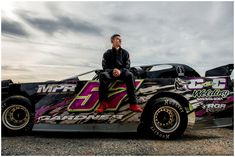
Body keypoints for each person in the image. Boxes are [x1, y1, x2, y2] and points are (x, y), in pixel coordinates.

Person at [97, 34, 143, 113]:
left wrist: (120, 71)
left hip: (122, 73)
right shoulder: (107, 53)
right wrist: (112, 71)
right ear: (112, 41)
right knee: (103, 75)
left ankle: (133, 104)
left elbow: (127, 66)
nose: (120, 40)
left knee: (130, 75)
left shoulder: (125, 53)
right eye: (117, 39)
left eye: (120, 39)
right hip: (110, 74)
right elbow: (105, 67)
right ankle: (103, 103)